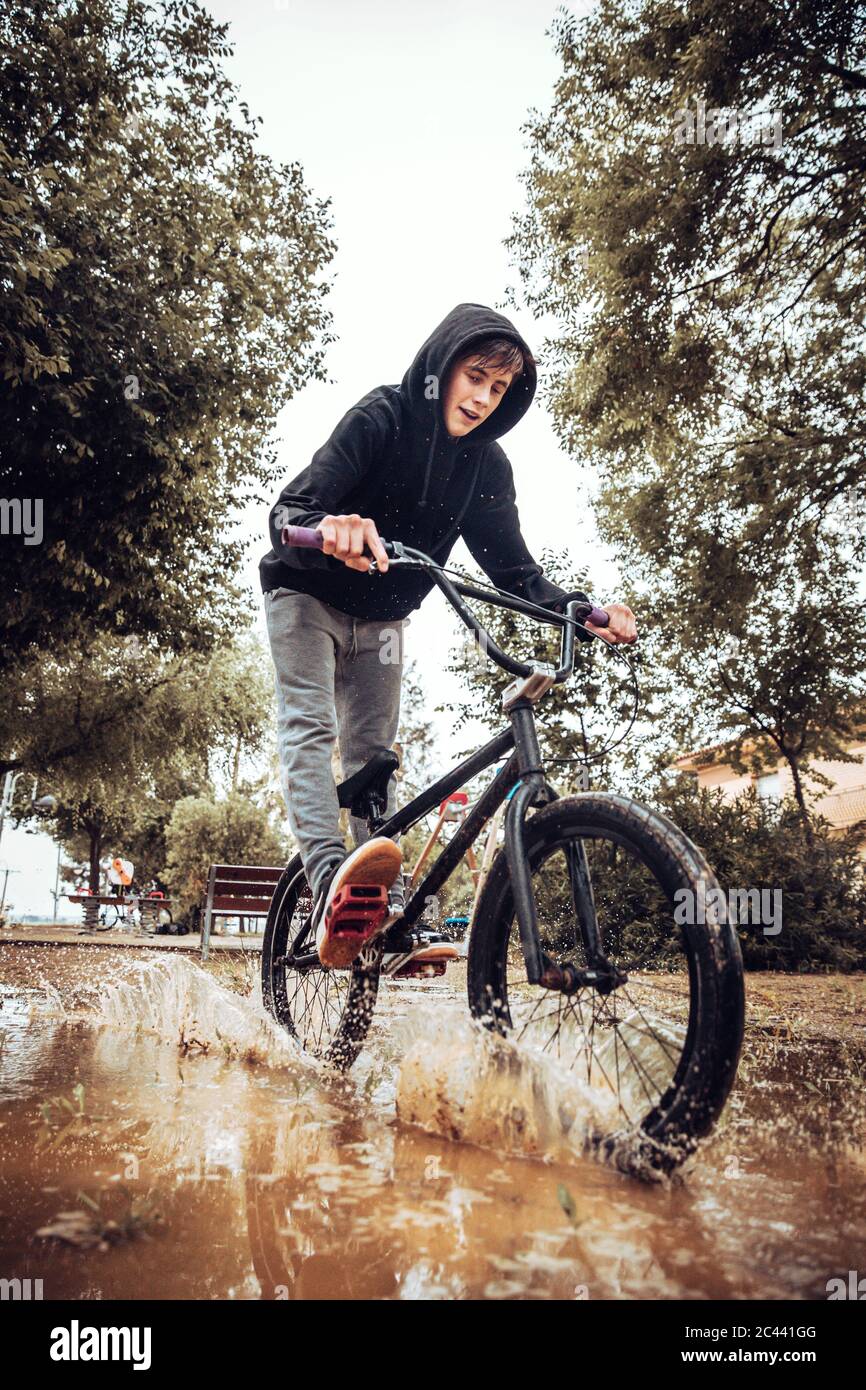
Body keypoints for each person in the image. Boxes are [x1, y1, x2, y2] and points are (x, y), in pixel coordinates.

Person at [261, 303, 636, 968]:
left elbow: (519, 575)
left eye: (498, 389)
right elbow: (291, 510)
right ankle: (330, 894)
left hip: (383, 619)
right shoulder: (381, 417)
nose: (484, 399)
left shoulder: (485, 470)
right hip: (306, 595)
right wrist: (333, 529)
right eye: (475, 377)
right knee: (311, 732)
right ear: (444, 365)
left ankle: (388, 918)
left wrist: (582, 611)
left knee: (375, 759)